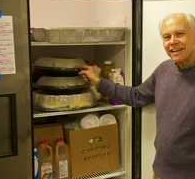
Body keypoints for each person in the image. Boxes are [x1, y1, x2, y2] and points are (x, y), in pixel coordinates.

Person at [79, 12, 195, 179]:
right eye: (166, 37)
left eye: (180, 34)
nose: (172, 42)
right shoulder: (164, 70)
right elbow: (136, 96)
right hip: (161, 171)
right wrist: (98, 82)